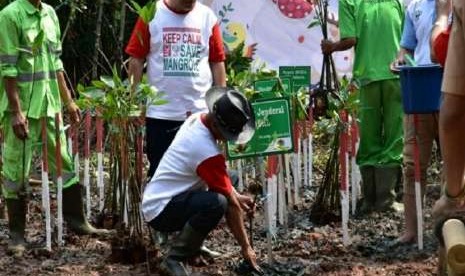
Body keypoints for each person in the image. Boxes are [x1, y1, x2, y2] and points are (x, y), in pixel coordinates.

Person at [0, 0, 110, 257]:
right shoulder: (9, 16)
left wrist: (68, 100)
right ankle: (17, 235)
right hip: (24, 109)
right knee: (16, 170)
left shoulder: (49, 14)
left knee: (65, 163)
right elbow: (7, 68)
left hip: (50, 106)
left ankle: (78, 221)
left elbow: (56, 63)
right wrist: (16, 112)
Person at [142, 87, 260, 276]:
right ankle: (175, 258)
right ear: (215, 126)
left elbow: (227, 187)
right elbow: (230, 202)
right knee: (217, 203)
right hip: (160, 209)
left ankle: (193, 246)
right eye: (227, 133)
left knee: (232, 179)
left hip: (166, 194)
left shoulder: (198, 118)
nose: (227, 139)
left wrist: (237, 195)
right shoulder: (205, 150)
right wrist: (246, 247)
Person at [125, 0, 227, 180]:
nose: (189, 5)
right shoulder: (152, 13)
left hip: (200, 114)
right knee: (161, 172)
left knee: (202, 173)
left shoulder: (207, 17)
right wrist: (134, 101)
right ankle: (161, 207)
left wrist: (221, 105)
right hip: (161, 114)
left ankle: (199, 207)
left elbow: (217, 62)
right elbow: (136, 59)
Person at [321, 0, 405, 213]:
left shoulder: (350, 1)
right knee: (395, 134)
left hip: (368, 77)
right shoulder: (396, 2)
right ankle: (386, 199)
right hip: (396, 75)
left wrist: (332, 47)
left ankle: (371, 199)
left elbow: (350, 39)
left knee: (369, 135)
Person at [391, 0, 439, 244]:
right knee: (412, 162)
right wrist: (400, 60)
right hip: (419, 88)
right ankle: (412, 230)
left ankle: (454, 226)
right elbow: (407, 48)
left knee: (457, 162)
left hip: (452, 88)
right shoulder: (415, 6)